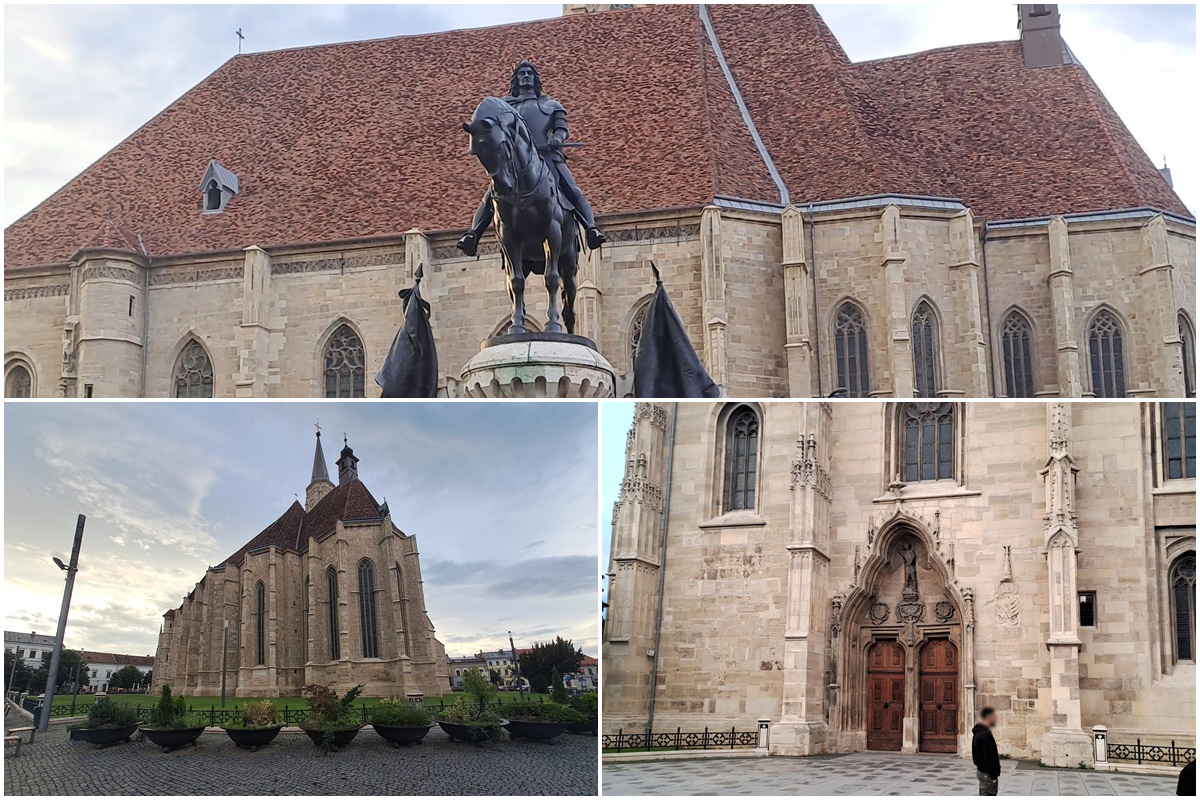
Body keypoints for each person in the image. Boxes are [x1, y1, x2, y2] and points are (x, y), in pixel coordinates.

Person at [458, 61, 606, 256]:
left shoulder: (551, 105)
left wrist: (556, 139)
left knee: (571, 188)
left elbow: (562, 129)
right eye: (521, 73)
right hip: (514, 162)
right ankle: (473, 234)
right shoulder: (505, 107)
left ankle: (591, 228)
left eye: (529, 73)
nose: (526, 76)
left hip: (548, 157)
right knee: (491, 195)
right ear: (516, 80)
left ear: (536, 79)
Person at [972, 707, 1001, 796]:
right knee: (988, 793)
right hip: (986, 774)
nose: (996, 719)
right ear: (989, 717)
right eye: (994, 716)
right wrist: (993, 776)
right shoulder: (985, 735)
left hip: (982, 772)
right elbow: (988, 757)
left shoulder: (979, 732)